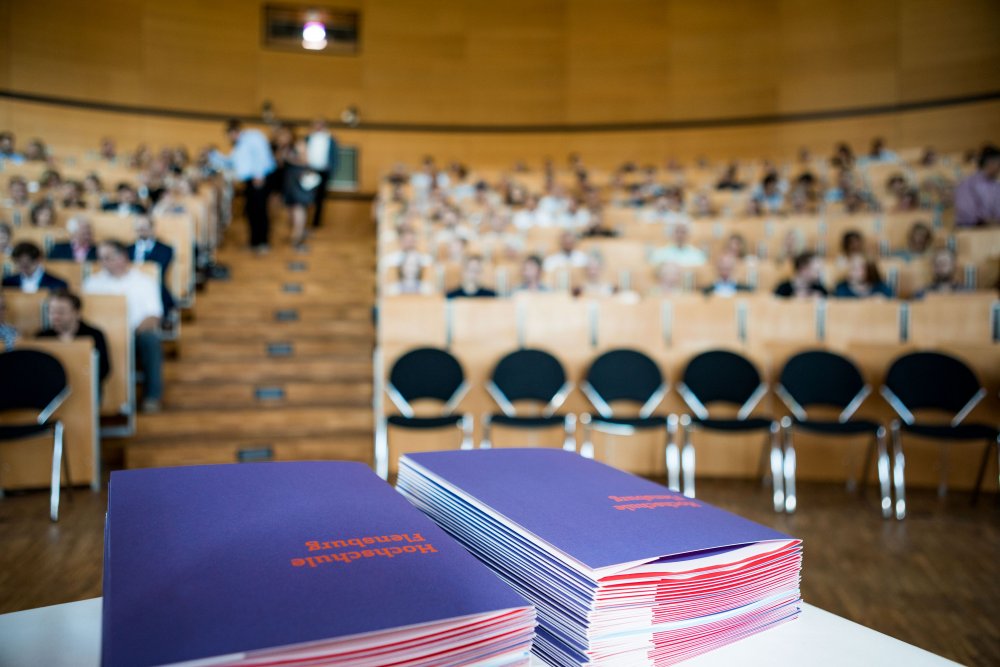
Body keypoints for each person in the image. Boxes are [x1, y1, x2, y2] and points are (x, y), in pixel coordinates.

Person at [84, 240, 164, 413]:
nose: (104, 262)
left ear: (123, 257)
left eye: (108, 257)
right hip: (102, 336)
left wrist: (130, 333)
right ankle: (95, 404)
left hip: (135, 333)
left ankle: (152, 396)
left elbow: (154, 316)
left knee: (151, 340)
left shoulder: (144, 281)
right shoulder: (92, 283)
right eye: (101, 258)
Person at [211, 119, 276, 253]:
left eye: (229, 135)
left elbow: (261, 155)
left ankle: (263, 242)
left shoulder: (253, 136)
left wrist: (259, 175)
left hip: (260, 179)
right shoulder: (238, 146)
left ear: (234, 132)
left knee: (260, 211)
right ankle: (253, 242)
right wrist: (214, 156)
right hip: (251, 180)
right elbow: (231, 163)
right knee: (251, 212)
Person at [36, 290, 111, 390]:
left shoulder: (94, 335)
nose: (55, 316)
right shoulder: (42, 337)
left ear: (77, 313)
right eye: (51, 311)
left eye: (61, 312)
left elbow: (104, 369)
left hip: (86, 388)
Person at [128, 215, 176, 315]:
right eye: (139, 228)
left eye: (145, 227)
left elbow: (159, 270)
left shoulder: (165, 250)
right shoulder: (127, 250)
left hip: (154, 286)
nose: (141, 230)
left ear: (152, 228)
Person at [954, 144, 1000, 227]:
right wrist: (985, 220)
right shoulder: (967, 183)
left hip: (993, 228)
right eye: (998, 164)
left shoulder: (996, 186)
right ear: (990, 162)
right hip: (971, 228)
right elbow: (965, 212)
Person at [306, 118, 338, 229]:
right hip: (309, 171)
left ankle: (316, 222)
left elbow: (335, 158)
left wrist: (331, 171)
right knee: (306, 196)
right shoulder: (308, 138)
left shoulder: (331, 139)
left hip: (324, 171)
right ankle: (305, 221)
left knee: (320, 198)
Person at [3, 242, 68, 293]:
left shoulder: (57, 284)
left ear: (38, 260)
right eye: (19, 262)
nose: (24, 267)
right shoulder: (8, 282)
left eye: (27, 263)